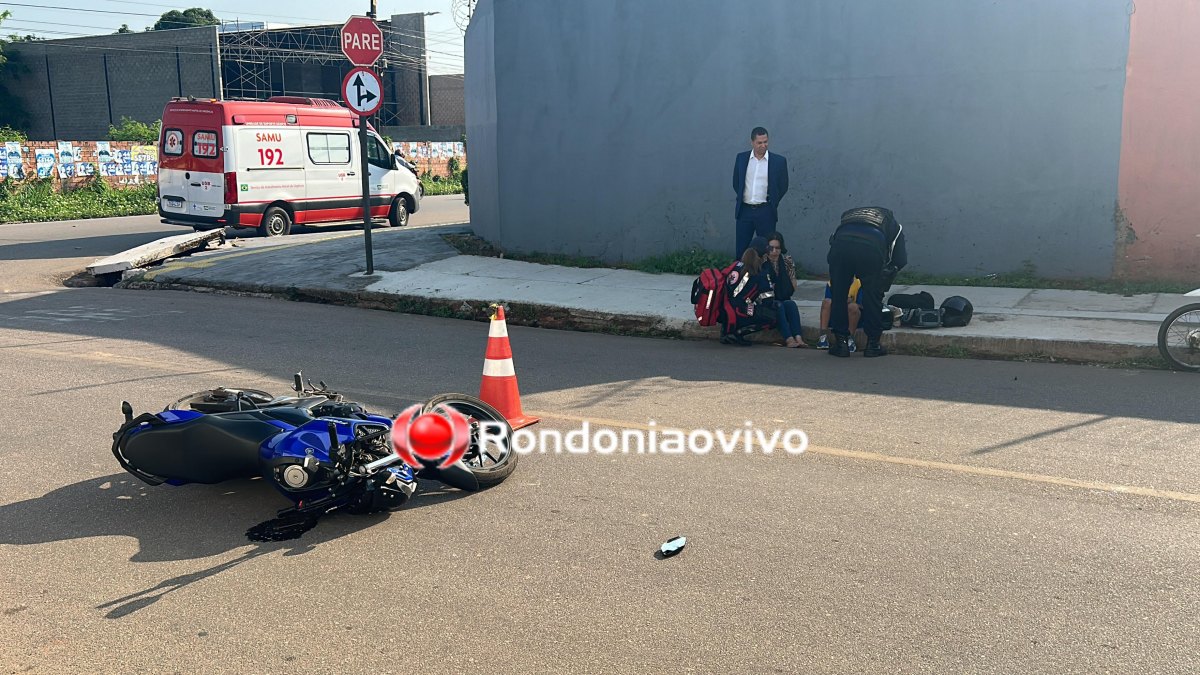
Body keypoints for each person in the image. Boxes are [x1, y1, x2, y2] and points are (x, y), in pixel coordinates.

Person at [825, 206, 907, 358]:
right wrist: (885, 277)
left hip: (841, 248)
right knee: (872, 297)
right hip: (870, 250)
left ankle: (841, 344)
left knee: (839, 296)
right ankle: (873, 345)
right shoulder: (894, 225)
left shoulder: (847, 218)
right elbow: (901, 259)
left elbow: (832, 251)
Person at [732, 127, 788, 260]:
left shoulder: (778, 161)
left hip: (766, 211)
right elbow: (736, 183)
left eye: (766, 142)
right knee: (742, 249)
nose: (763, 145)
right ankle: (741, 279)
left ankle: (768, 278)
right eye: (759, 142)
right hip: (744, 210)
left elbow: (783, 186)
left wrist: (772, 202)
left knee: (768, 249)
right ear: (752, 142)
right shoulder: (741, 158)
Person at [720, 236, 775, 346]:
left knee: (743, 304)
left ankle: (727, 330)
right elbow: (768, 300)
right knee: (772, 318)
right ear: (763, 255)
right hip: (740, 311)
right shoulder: (760, 274)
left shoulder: (736, 265)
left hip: (723, 309)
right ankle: (737, 333)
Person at [761, 232, 808, 348]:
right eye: (771, 247)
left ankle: (798, 337)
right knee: (779, 306)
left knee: (790, 304)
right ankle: (789, 339)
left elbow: (793, 284)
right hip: (767, 300)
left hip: (784, 296)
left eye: (777, 248)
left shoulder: (787, 261)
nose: (774, 251)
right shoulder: (762, 262)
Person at [817, 276, 863, 351]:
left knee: (853, 307)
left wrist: (848, 302)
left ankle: (850, 339)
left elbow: (861, 306)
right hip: (836, 315)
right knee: (826, 302)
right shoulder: (832, 283)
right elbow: (828, 301)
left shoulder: (858, 284)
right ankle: (823, 337)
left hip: (851, 318)